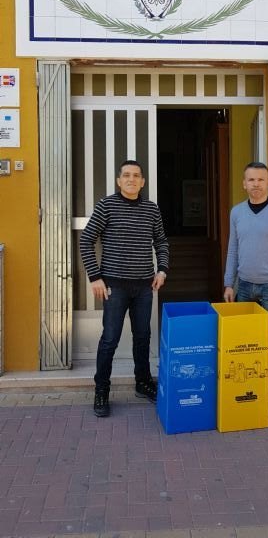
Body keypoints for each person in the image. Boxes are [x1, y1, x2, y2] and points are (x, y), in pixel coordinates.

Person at [80, 160, 169, 417]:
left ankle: (142, 383)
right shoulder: (106, 205)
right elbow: (86, 240)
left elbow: (161, 241)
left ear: (143, 181)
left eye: (136, 175)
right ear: (119, 181)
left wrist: (162, 269)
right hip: (114, 286)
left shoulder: (152, 209)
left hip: (143, 286)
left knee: (143, 337)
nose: (131, 179)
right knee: (110, 339)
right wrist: (95, 277)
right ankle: (102, 390)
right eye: (126, 175)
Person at [223, 162, 268, 420]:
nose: (256, 184)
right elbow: (233, 249)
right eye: (251, 180)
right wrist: (228, 283)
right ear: (244, 183)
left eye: (260, 180)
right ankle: (248, 392)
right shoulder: (237, 213)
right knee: (246, 345)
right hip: (244, 287)